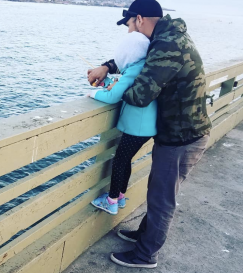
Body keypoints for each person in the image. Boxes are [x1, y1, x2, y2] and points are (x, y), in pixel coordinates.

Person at [87, 0, 212, 269]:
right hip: (177, 132)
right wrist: (108, 66)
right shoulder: (166, 37)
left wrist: (116, 86)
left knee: (161, 200)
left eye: (130, 25)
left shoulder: (168, 44)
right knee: (158, 193)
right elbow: (141, 61)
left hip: (183, 137)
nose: (130, 33)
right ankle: (144, 236)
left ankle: (146, 255)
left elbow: (140, 94)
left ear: (140, 19)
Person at [89, 31, 157, 215]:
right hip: (147, 126)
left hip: (137, 127)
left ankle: (110, 201)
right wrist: (109, 85)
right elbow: (123, 89)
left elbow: (112, 97)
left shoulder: (134, 69)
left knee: (119, 161)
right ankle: (120, 196)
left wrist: (93, 93)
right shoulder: (145, 67)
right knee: (126, 159)